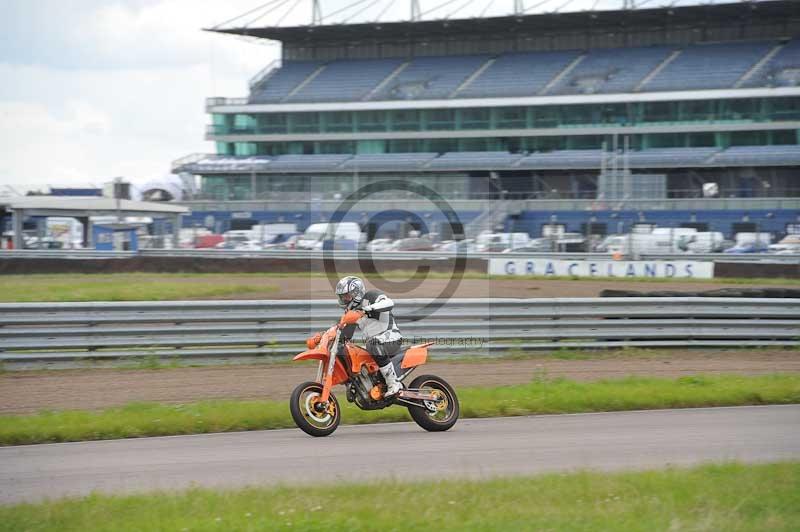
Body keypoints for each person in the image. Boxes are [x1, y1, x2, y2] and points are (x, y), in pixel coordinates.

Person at [335, 276, 403, 397]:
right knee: (346, 351)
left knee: (372, 344)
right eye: (342, 296)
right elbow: (345, 336)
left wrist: (365, 311)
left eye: (346, 295)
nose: (344, 299)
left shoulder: (371, 296)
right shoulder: (351, 312)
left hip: (391, 338)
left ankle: (394, 384)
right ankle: (356, 385)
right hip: (374, 343)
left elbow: (389, 303)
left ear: (356, 292)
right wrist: (327, 337)